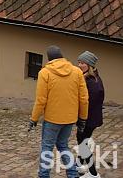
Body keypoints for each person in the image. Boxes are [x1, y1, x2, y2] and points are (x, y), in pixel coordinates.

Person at [30, 46, 89, 178]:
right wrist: (83, 118)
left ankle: (44, 175)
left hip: (52, 119)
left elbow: (41, 100)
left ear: (49, 59)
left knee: (47, 148)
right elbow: (84, 99)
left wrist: (34, 118)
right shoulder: (76, 72)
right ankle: (72, 174)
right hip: (70, 118)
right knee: (63, 146)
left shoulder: (45, 73)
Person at [75, 51, 104, 178]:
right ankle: (79, 164)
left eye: (82, 63)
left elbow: (88, 103)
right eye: (79, 62)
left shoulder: (91, 82)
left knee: (82, 143)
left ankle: (93, 173)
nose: (79, 65)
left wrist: (81, 118)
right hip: (91, 119)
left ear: (89, 65)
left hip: (88, 119)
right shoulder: (93, 78)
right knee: (83, 141)